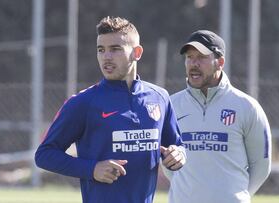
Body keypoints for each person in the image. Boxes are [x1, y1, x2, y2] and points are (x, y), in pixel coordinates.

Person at [35, 16, 186, 203]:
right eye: (101, 50)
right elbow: (44, 155)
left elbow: (176, 146)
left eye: (115, 49)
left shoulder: (160, 97)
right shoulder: (83, 103)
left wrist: (178, 155)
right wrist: (92, 169)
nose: (106, 57)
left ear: (137, 52)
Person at [164, 30, 272, 203]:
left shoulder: (247, 107)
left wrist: (237, 197)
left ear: (220, 62)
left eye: (201, 57)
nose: (193, 63)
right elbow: (169, 163)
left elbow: (261, 165)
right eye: (189, 57)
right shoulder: (170, 105)